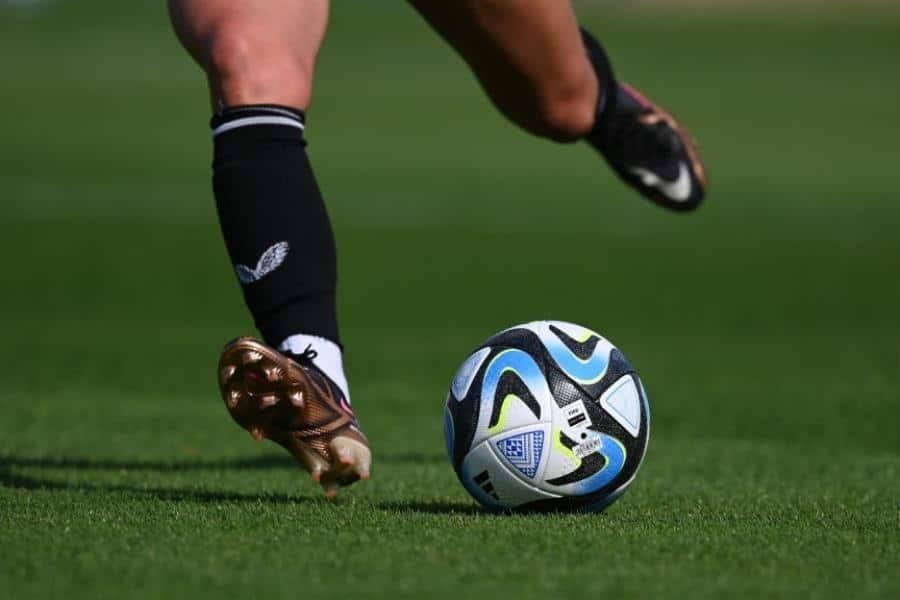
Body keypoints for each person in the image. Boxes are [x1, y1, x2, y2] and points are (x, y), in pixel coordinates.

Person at [167, 0, 708, 497]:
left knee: (559, 101)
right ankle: (317, 371)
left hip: (567, 98)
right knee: (244, 57)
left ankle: (603, 105)